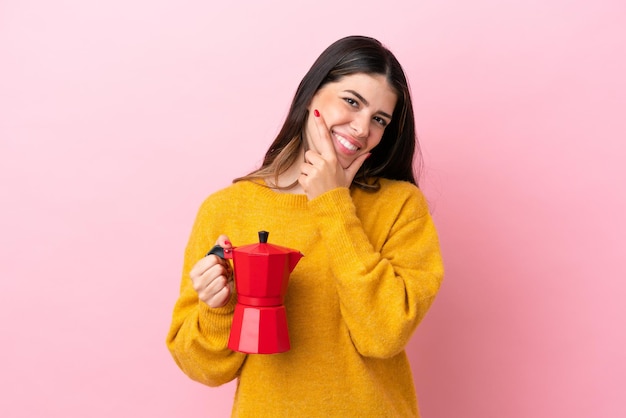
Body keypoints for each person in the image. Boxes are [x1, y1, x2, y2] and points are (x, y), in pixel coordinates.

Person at [166, 35, 444, 417]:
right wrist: (218, 308)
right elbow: (204, 369)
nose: (363, 128)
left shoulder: (400, 207)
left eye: (379, 119)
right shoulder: (227, 209)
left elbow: (383, 334)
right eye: (352, 101)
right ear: (312, 95)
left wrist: (333, 204)